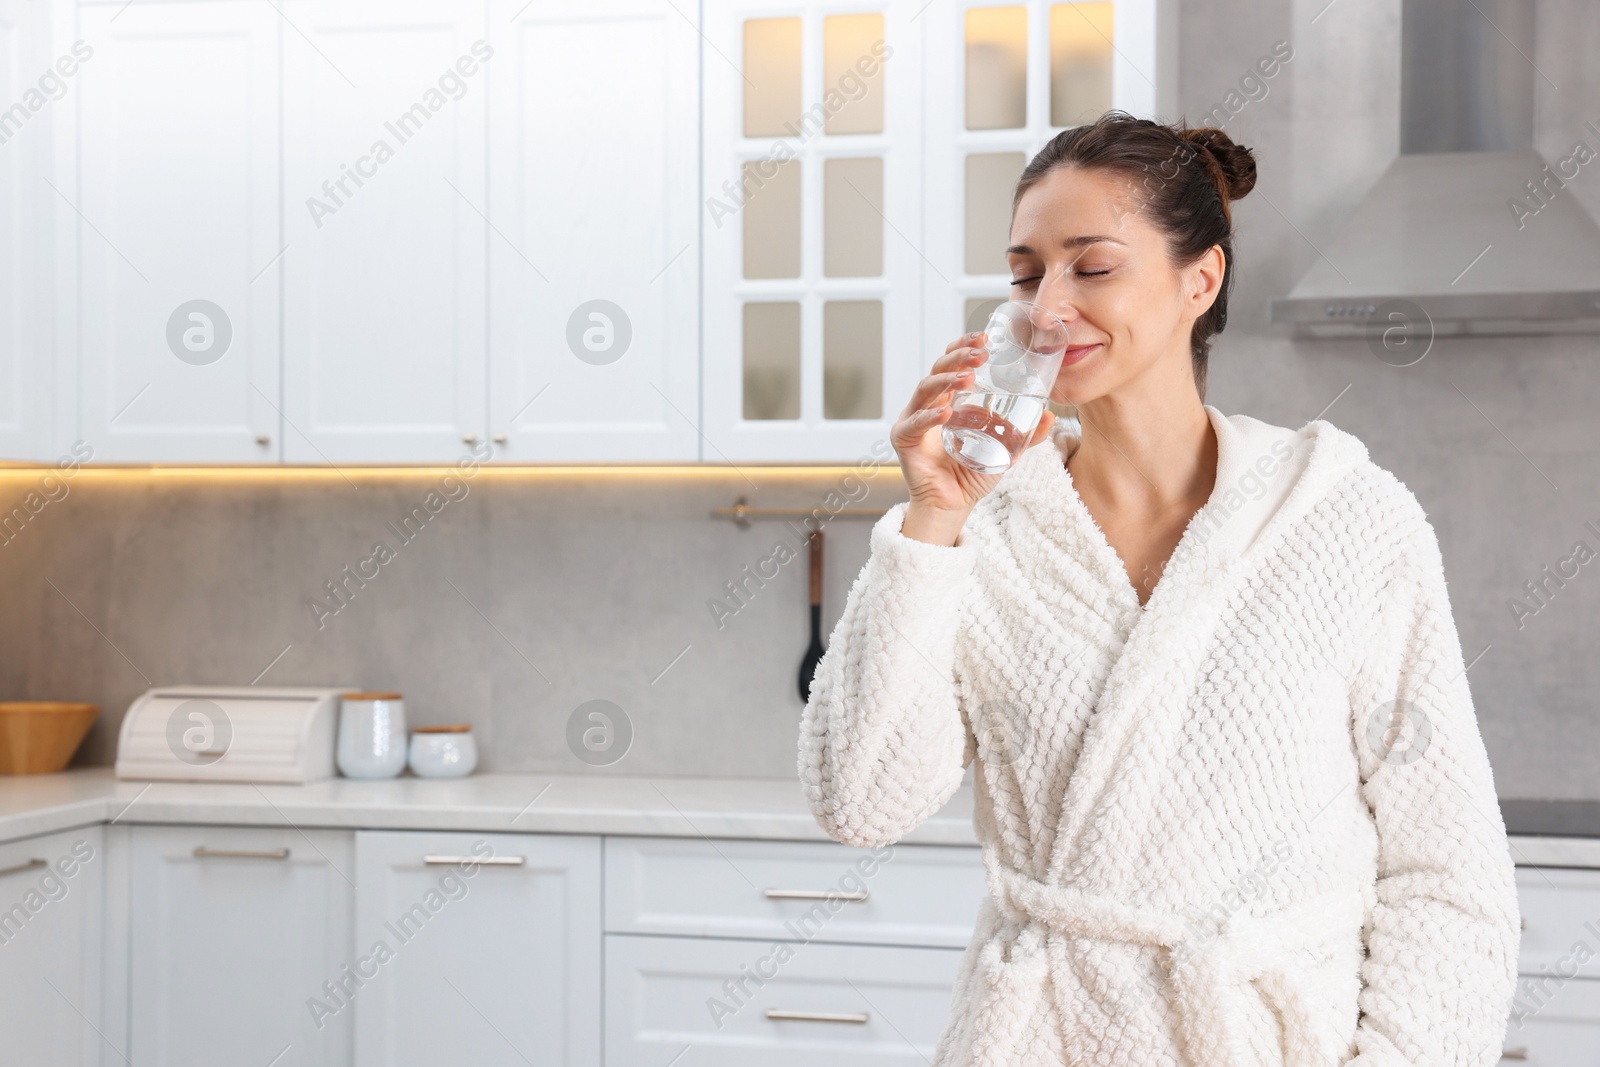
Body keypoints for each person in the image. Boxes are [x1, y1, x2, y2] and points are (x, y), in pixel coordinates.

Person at [798, 111, 1519, 1066]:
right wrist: (932, 520)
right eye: (1025, 274)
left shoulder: (1346, 521)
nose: (1048, 307)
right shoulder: (987, 530)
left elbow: (1449, 875)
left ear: (1200, 279)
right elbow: (861, 803)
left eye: (1091, 267)